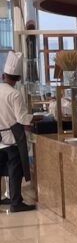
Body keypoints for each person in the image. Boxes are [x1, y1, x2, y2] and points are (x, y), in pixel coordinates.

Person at [0, 52, 37, 212]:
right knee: (15, 170)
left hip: (0, 138)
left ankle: (7, 198)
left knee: (2, 171)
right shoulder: (15, 94)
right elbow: (22, 118)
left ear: (3, 75)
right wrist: (36, 118)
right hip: (13, 138)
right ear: (19, 79)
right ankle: (16, 203)